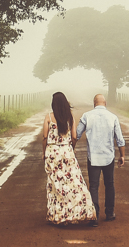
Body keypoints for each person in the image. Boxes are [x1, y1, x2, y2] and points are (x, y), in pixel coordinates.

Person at [42, 92, 98, 226]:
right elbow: (74, 136)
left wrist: (44, 153)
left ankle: (57, 215)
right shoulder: (70, 118)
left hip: (53, 153)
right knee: (74, 183)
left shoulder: (49, 117)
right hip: (67, 151)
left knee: (55, 185)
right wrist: (71, 147)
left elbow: (44, 137)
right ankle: (83, 212)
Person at [75, 93, 125, 222]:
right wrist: (122, 155)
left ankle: (94, 215)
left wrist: (71, 148)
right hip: (108, 156)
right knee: (109, 184)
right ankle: (109, 213)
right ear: (105, 103)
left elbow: (76, 135)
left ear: (94, 103)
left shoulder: (87, 116)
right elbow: (120, 139)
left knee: (93, 186)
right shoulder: (113, 117)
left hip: (93, 157)